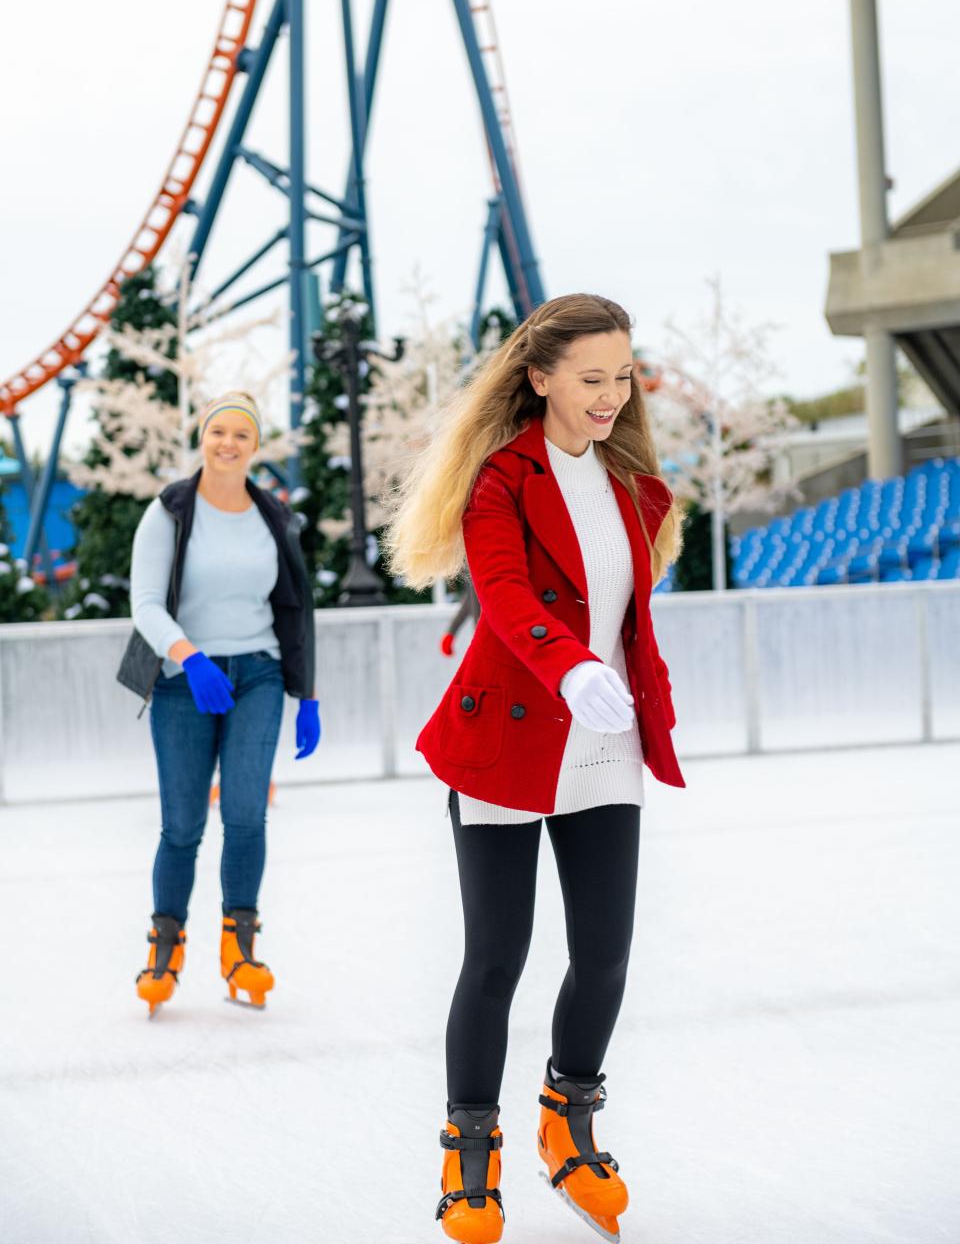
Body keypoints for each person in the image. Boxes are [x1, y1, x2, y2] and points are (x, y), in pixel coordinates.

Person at [383, 295, 686, 1242]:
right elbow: (507, 599)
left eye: (622, 375)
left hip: (602, 740)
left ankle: (570, 1124)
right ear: (540, 376)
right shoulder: (501, 480)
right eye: (590, 377)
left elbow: (624, 607)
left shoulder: (630, 484)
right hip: (507, 742)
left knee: (603, 958)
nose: (609, 395)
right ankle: (470, 1159)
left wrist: (611, 681)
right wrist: (571, 664)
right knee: (496, 959)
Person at [119, 390, 321, 1015]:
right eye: (218, 432)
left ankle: (240, 951)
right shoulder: (170, 513)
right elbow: (145, 603)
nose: (228, 443)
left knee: (244, 815)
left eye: (242, 435)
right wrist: (190, 655)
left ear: (255, 447)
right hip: (185, 679)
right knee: (182, 826)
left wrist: (305, 694)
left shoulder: (274, 518)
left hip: (257, 675)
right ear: (202, 438)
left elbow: (295, 607)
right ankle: (165, 948)